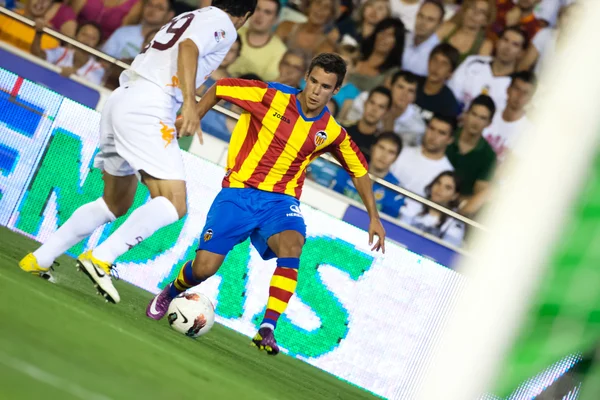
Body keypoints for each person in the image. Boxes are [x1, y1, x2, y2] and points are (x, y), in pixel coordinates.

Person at [146, 53, 386, 355]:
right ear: (306, 77)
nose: (315, 91)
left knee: (294, 243)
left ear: (335, 91)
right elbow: (221, 88)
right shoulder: (271, 96)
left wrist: (374, 217)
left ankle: (268, 327)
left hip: (280, 201)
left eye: (325, 86)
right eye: (313, 81)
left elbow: (360, 171)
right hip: (238, 193)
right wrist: (193, 115)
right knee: (205, 268)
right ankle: (172, 291)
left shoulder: (332, 132)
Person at [18, 1, 256, 304]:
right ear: (245, 16)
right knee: (173, 202)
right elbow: (188, 49)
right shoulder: (222, 23)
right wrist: (189, 103)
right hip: (149, 106)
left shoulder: (191, 14)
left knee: (115, 201)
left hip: (124, 98)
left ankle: (40, 258)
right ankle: (102, 257)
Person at [448, 26, 528, 113]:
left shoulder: (517, 85)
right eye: (505, 40)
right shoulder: (473, 62)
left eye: (515, 45)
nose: (507, 48)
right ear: (497, 42)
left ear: (521, 53)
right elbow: (450, 95)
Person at [390, 113, 455, 216]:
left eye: (441, 133)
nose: (434, 136)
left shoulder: (448, 175)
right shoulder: (402, 152)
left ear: (450, 140)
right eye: (431, 128)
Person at [332, 132, 404, 218]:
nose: (384, 155)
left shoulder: (396, 190)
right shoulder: (350, 169)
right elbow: (332, 197)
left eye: (391, 152)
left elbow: (386, 223)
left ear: (396, 158)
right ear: (372, 148)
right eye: (381, 148)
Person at [445, 94, 496, 216]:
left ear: (489, 123)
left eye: (482, 118)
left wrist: (455, 200)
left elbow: (479, 194)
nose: (476, 122)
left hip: (458, 211)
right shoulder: (446, 134)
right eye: (474, 114)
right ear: (466, 114)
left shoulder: (489, 156)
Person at [483, 71, 536, 163]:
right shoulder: (489, 113)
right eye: (517, 89)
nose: (519, 96)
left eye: (525, 93)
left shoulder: (530, 133)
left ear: (530, 98)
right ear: (508, 89)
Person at [228, 0, 288, 82]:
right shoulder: (233, 31)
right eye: (257, 9)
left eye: (267, 12)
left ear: (276, 19)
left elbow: (269, 84)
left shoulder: (280, 51)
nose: (260, 16)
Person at [31, 20, 106, 86]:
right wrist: (38, 33)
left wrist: (74, 74)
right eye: (84, 34)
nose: (87, 40)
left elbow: (89, 90)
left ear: (97, 45)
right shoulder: (62, 52)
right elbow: (38, 56)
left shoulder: (98, 69)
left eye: (93, 38)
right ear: (76, 36)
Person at [401, 171, 464, 247]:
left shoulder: (455, 223)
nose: (440, 189)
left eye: (447, 188)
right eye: (438, 183)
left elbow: (445, 252)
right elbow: (399, 231)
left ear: (454, 196)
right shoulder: (414, 203)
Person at [101, 0, 174, 60]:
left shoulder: (167, 45)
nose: (152, 9)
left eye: (159, 8)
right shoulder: (123, 32)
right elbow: (102, 61)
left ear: (170, 15)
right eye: (150, 5)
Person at [347, 17, 405, 92]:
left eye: (390, 35)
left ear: (397, 42)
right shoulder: (356, 54)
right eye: (382, 32)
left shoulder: (392, 72)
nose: (384, 37)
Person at [437, 0, 495, 65]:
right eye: (473, 8)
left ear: (486, 21)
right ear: (465, 10)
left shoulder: (485, 45)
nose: (475, 13)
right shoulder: (447, 28)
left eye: (481, 12)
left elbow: (478, 71)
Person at [344, 86, 392, 162]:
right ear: (365, 103)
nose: (374, 109)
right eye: (372, 103)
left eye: (381, 107)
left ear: (386, 113)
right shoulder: (342, 129)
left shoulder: (381, 145)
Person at [276, 0, 340, 57]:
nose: (320, 9)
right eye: (318, 3)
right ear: (309, 5)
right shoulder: (286, 27)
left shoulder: (326, 47)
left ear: (331, 14)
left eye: (326, 7)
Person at [415, 42, 460, 120]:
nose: (437, 66)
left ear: (450, 73)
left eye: (444, 64)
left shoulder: (449, 104)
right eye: (435, 60)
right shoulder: (412, 84)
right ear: (428, 62)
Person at [402, 0, 444, 77]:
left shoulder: (438, 54)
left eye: (430, 19)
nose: (422, 23)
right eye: (421, 16)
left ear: (439, 25)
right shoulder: (402, 38)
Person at [70, 0, 143, 40]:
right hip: (73, 37)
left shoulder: (136, 3)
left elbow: (120, 35)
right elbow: (70, 19)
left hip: (104, 48)